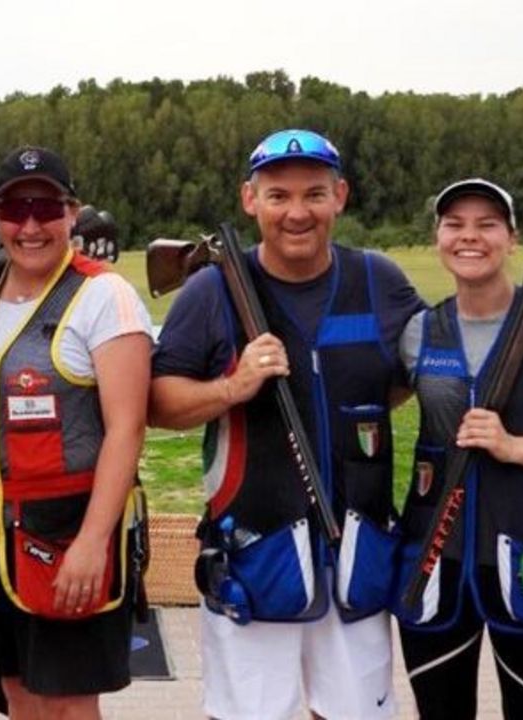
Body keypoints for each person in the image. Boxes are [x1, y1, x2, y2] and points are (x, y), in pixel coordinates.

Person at [150, 128, 425, 720]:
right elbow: (159, 402)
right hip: (253, 557)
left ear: (341, 196)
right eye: (278, 196)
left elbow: (412, 377)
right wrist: (234, 387)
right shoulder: (212, 288)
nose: (297, 212)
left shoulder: (380, 280)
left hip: (359, 555)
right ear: (250, 200)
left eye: (314, 194)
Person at [0, 146, 150, 719]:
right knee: (18, 697)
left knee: (68, 707)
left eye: (47, 207)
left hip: (69, 533)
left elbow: (127, 430)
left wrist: (93, 542)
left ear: (72, 213)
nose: (30, 225)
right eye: (14, 208)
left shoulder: (105, 295)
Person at [395, 178, 523, 719]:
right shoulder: (420, 331)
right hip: (434, 564)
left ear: (513, 239)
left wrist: (512, 445)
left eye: (487, 224)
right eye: (455, 224)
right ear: (437, 237)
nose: (469, 237)